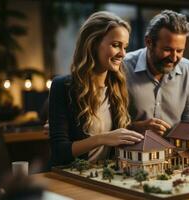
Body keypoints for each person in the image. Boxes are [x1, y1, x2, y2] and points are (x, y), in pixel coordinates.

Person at [49, 11, 144, 166]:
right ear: (92, 44)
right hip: (72, 177)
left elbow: (116, 134)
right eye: (116, 45)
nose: (123, 54)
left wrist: (138, 127)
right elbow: (59, 152)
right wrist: (103, 138)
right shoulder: (62, 86)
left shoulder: (117, 87)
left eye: (125, 47)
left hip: (106, 177)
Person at [123, 10, 189, 135]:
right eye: (167, 49)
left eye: (179, 51)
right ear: (149, 42)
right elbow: (107, 125)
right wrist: (133, 128)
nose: (174, 58)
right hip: (132, 152)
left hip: (175, 151)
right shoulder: (123, 67)